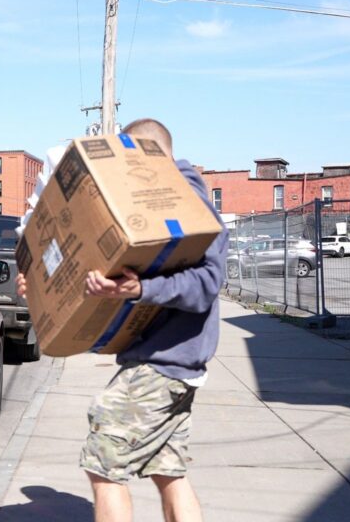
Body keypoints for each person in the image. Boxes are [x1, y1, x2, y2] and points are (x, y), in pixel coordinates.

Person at [17, 118, 228, 522]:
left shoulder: (184, 197)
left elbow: (207, 283)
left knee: (103, 468)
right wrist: (42, 286)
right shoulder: (146, 205)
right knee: (169, 473)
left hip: (163, 364)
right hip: (165, 361)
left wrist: (139, 291)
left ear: (144, 152)